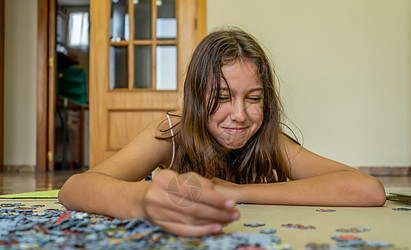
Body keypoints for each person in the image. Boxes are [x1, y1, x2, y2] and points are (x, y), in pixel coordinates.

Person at [59, 28, 386, 237]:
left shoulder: (269, 140)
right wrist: (145, 200)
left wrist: (235, 191)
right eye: (222, 97)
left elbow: (367, 190)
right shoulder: (173, 130)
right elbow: (75, 188)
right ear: (195, 96)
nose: (240, 116)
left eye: (254, 98)